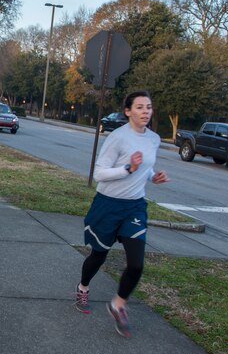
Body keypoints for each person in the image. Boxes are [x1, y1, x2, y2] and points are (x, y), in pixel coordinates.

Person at [74, 90, 169, 338]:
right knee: (99, 255)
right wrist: (128, 168)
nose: (145, 111)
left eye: (148, 107)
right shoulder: (117, 137)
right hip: (108, 204)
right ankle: (83, 287)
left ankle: (118, 304)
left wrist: (153, 176)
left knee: (136, 264)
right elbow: (100, 173)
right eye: (139, 107)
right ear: (128, 111)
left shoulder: (154, 139)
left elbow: (145, 169)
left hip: (134, 206)